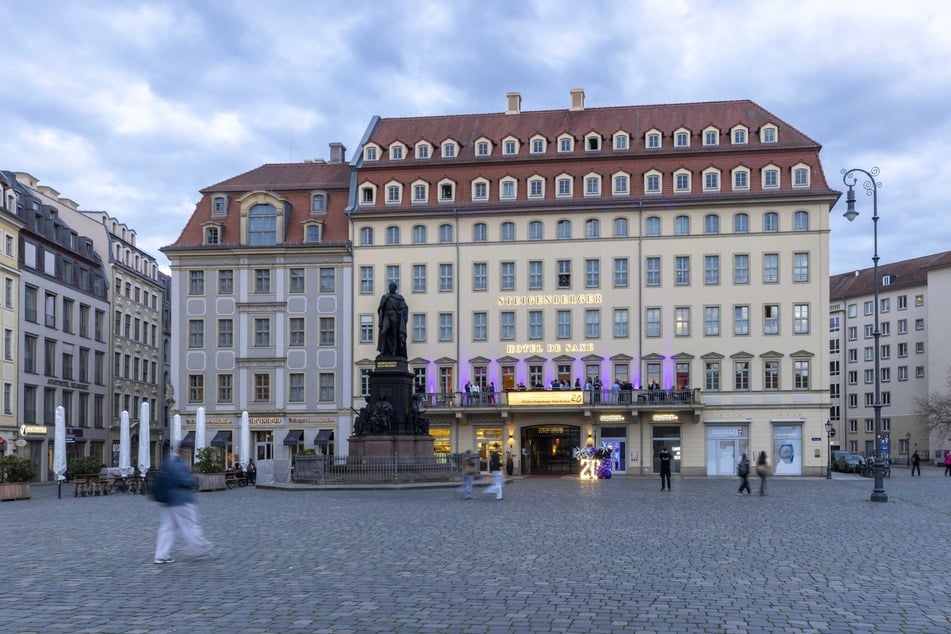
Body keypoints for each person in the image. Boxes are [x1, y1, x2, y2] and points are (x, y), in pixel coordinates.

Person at [153, 447, 214, 564]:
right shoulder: (178, 464)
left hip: (168, 500)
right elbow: (183, 480)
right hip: (181, 499)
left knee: (167, 528)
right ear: (183, 451)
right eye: (187, 451)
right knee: (190, 525)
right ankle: (201, 547)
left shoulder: (168, 461)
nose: (188, 454)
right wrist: (195, 479)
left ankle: (161, 555)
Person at [376, 282, 408, 357]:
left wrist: (401, 313)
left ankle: (395, 351)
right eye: (389, 286)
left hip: (394, 316)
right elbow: (381, 308)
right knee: (383, 332)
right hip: (386, 315)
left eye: (391, 286)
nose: (390, 287)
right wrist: (380, 320)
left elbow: (405, 308)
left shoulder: (399, 297)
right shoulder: (385, 296)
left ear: (395, 288)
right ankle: (382, 351)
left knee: (395, 334)